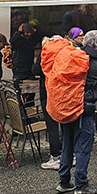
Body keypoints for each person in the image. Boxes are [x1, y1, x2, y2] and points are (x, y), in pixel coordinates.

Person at [56, 30, 97, 194]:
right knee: (83, 147)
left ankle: (64, 181)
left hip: (67, 106)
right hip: (84, 109)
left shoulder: (73, 55)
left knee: (67, 144)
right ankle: (81, 185)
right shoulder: (93, 63)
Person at [34, 37, 62, 170]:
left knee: (52, 127)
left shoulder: (45, 54)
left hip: (47, 93)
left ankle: (55, 156)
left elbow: (34, 70)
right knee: (65, 124)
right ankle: (68, 154)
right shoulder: (65, 53)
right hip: (62, 93)